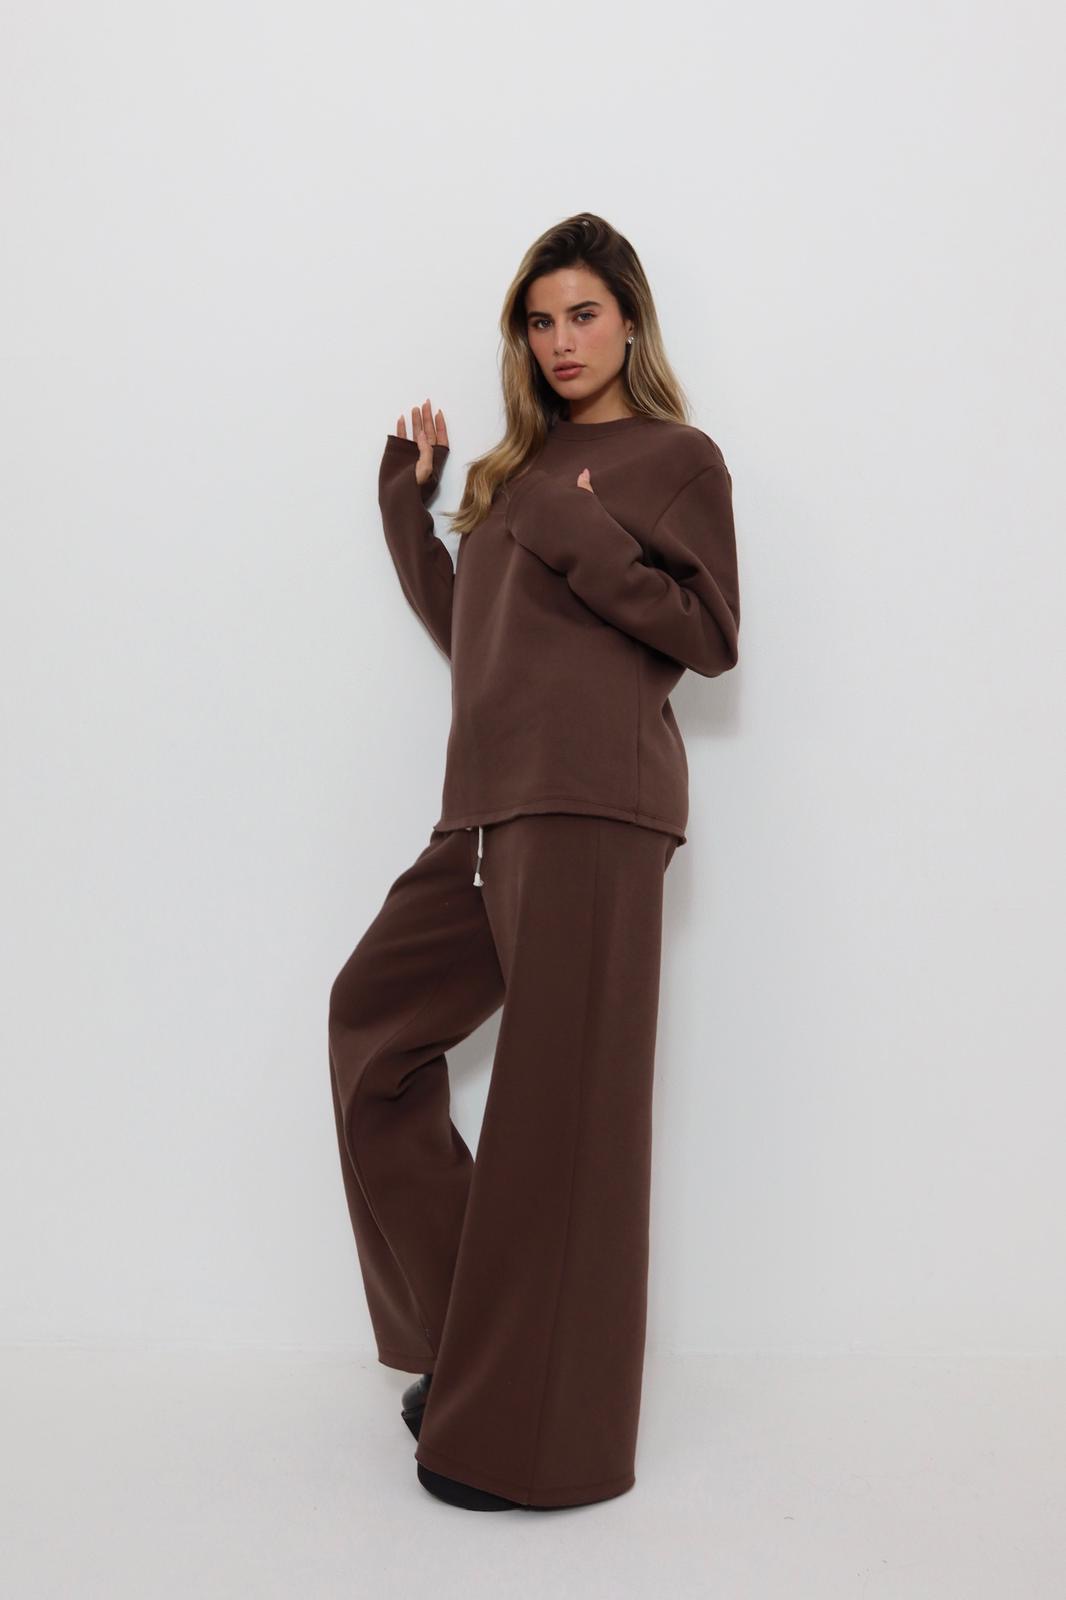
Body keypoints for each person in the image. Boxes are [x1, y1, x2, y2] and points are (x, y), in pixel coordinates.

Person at [327, 211, 741, 1512]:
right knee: (373, 1032)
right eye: (540, 320)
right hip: (486, 808)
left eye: (583, 315)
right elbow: (481, 637)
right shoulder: (520, 474)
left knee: (562, 1121)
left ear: (629, 322)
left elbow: (709, 633)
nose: (561, 341)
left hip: (595, 804)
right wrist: (410, 510)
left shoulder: (676, 458)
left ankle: (535, 1448)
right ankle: (475, 1359)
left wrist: (581, 531)